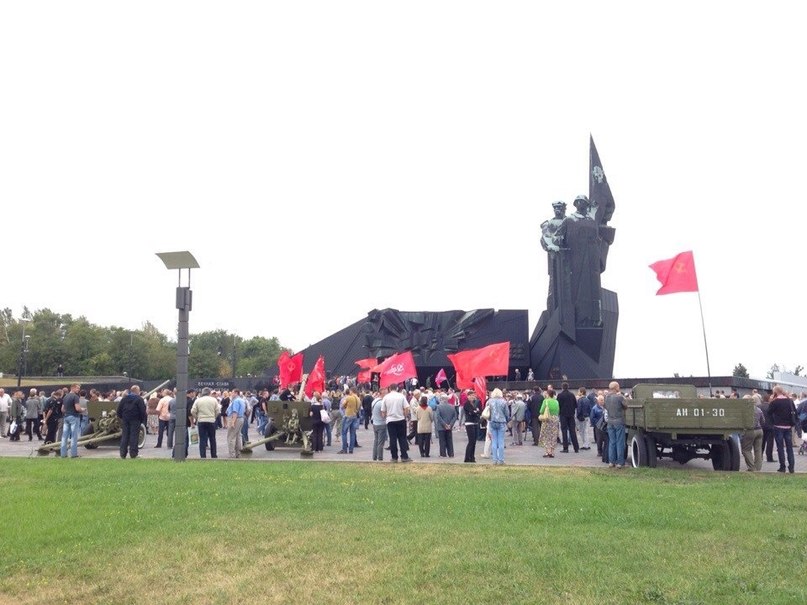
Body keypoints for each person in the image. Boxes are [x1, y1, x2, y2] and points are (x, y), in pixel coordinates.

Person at [381, 383, 412, 463]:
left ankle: (394, 457)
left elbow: (383, 411)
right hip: (400, 419)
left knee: (392, 439)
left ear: (389, 389)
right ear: (397, 388)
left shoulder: (386, 397)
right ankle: (404, 456)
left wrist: (386, 416)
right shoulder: (401, 396)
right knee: (402, 438)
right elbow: (406, 408)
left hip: (390, 420)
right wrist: (404, 415)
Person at [768, 385, 796, 473]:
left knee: (780, 447)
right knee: (789, 448)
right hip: (788, 426)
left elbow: (769, 413)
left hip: (778, 426)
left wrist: (773, 421)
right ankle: (791, 467)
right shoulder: (790, 401)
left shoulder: (774, 402)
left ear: (775, 392)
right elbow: (794, 411)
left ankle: (782, 467)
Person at [117, 385, 147, 459]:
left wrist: (122, 417)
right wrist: (141, 420)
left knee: (125, 436)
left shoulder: (124, 399)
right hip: (135, 420)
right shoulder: (139, 399)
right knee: (134, 437)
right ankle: (133, 454)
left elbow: (118, 410)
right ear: (137, 391)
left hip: (125, 419)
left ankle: (122, 454)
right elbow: (142, 411)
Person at [191, 387, 221, 458]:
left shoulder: (198, 400)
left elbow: (192, 411)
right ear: (209, 393)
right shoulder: (214, 400)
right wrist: (214, 417)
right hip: (211, 420)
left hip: (201, 421)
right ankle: (213, 455)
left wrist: (197, 418)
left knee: (202, 439)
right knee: (212, 438)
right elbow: (218, 411)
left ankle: (203, 455)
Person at [605, 381, 628, 468]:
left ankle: (611, 462)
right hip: (619, 421)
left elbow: (605, 407)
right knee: (620, 442)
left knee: (612, 442)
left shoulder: (606, 397)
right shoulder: (619, 397)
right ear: (616, 388)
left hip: (610, 422)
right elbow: (626, 406)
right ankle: (620, 462)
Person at [60, 384, 85, 458]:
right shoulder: (76, 397)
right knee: (74, 436)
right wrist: (82, 410)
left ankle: (63, 454)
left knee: (64, 436)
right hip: (74, 417)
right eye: (77, 388)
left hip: (66, 417)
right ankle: (74, 454)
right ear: (72, 388)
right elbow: (77, 408)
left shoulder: (65, 396)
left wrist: (68, 412)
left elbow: (62, 409)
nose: (78, 390)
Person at [486, 388, 510, 465]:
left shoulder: (489, 401)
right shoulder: (503, 402)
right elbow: (507, 413)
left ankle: (494, 460)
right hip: (501, 422)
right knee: (501, 441)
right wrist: (507, 419)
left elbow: (487, 411)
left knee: (494, 441)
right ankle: (501, 460)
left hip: (492, 422)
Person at [740, 398, 764, 472]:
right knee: (758, 450)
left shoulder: (745, 411)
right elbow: (763, 421)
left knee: (746, 449)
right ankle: (758, 468)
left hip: (750, 430)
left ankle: (751, 467)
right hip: (760, 430)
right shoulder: (758, 410)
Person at [557, 382, 579, 453]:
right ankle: (576, 448)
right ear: (568, 387)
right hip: (571, 415)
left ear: (562, 387)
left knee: (564, 431)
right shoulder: (572, 395)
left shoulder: (560, 395)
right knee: (572, 431)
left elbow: (558, 406)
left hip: (563, 415)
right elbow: (576, 405)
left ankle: (565, 448)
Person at [337, 387, 361, 454]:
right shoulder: (358, 399)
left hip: (348, 415)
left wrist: (346, 406)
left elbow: (342, 405)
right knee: (352, 433)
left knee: (344, 432)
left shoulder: (349, 397)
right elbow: (359, 408)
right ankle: (351, 449)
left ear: (351, 391)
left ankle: (344, 449)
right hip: (355, 416)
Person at [538, 388, 560, 457]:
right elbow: (558, 411)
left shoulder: (546, 401)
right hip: (555, 419)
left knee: (546, 435)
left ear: (548, 394)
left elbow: (541, 411)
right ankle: (552, 451)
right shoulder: (556, 401)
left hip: (547, 419)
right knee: (553, 435)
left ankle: (547, 451)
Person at [226, 390, 246, 458]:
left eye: (232, 393)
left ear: (236, 393)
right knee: (238, 436)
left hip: (235, 418)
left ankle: (232, 454)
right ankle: (238, 453)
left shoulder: (236, 401)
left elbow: (235, 411)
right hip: (241, 418)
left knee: (231, 437)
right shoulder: (242, 400)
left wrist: (233, 422)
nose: (231, 394)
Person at [463, 392, 481, 463]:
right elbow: (471, 412)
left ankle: (472, 457)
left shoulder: (475, 404)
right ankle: (467, 457)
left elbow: (478, 411)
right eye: (472, 396)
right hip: (469, 423)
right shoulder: (466, 404)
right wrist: (475, 412)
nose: (473, 397)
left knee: (474, 442)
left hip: (475, 423)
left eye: (474, 395)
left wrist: (476, 412)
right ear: (468, 396)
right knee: (471, 441)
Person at [371, 390, 387, 461]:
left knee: (376, 441)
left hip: (375, 423)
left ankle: (374, 456)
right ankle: (380, 457)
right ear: (382, 393)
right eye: (386, 393)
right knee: (381, 442)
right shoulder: (381, 403)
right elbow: (383, 415)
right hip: (381, 423)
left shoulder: (374, 401)